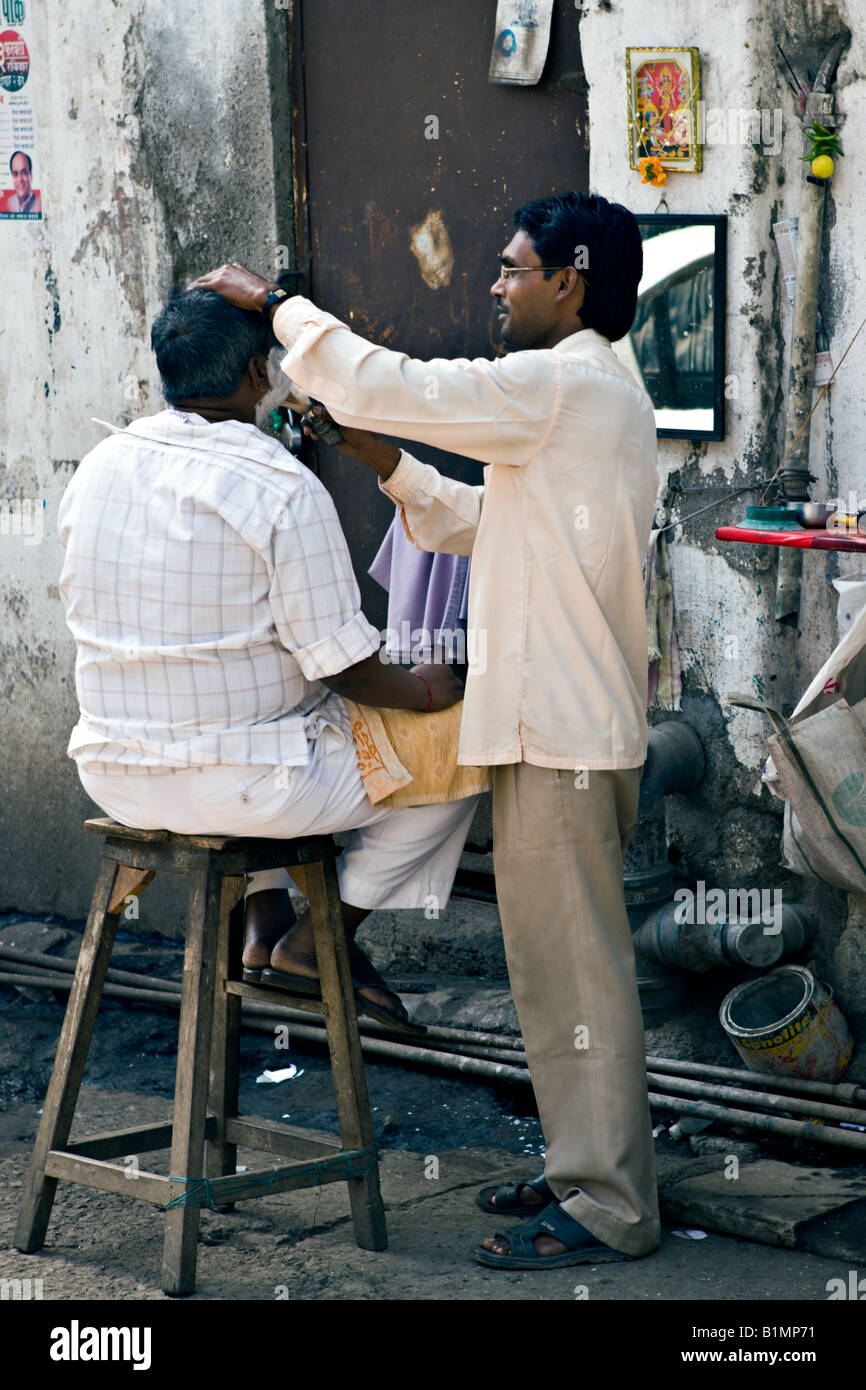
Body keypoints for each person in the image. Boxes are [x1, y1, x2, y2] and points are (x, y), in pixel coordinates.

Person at [194, 188, 662, 1269]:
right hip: (552, 726)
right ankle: (581, 1165)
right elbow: (476, 521)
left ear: (569, 278)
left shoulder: (560, 384)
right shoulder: (583, 399)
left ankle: (609, 1205)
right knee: (550, 974)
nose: (494, 288)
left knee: (577, 977)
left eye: (509, 269)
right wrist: (367, 453)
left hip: (562, 733)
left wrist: (280, 308)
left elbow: (392, 381)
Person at [57, 288, 479, 1031]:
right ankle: (320, 941)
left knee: (268, 708)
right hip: (248, 787)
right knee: (473, 744)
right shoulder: (279, 485)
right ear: (260, 373)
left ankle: (261, 922)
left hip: (115, 775)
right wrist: (424, 689)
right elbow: (343, 667)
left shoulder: (99, 465)